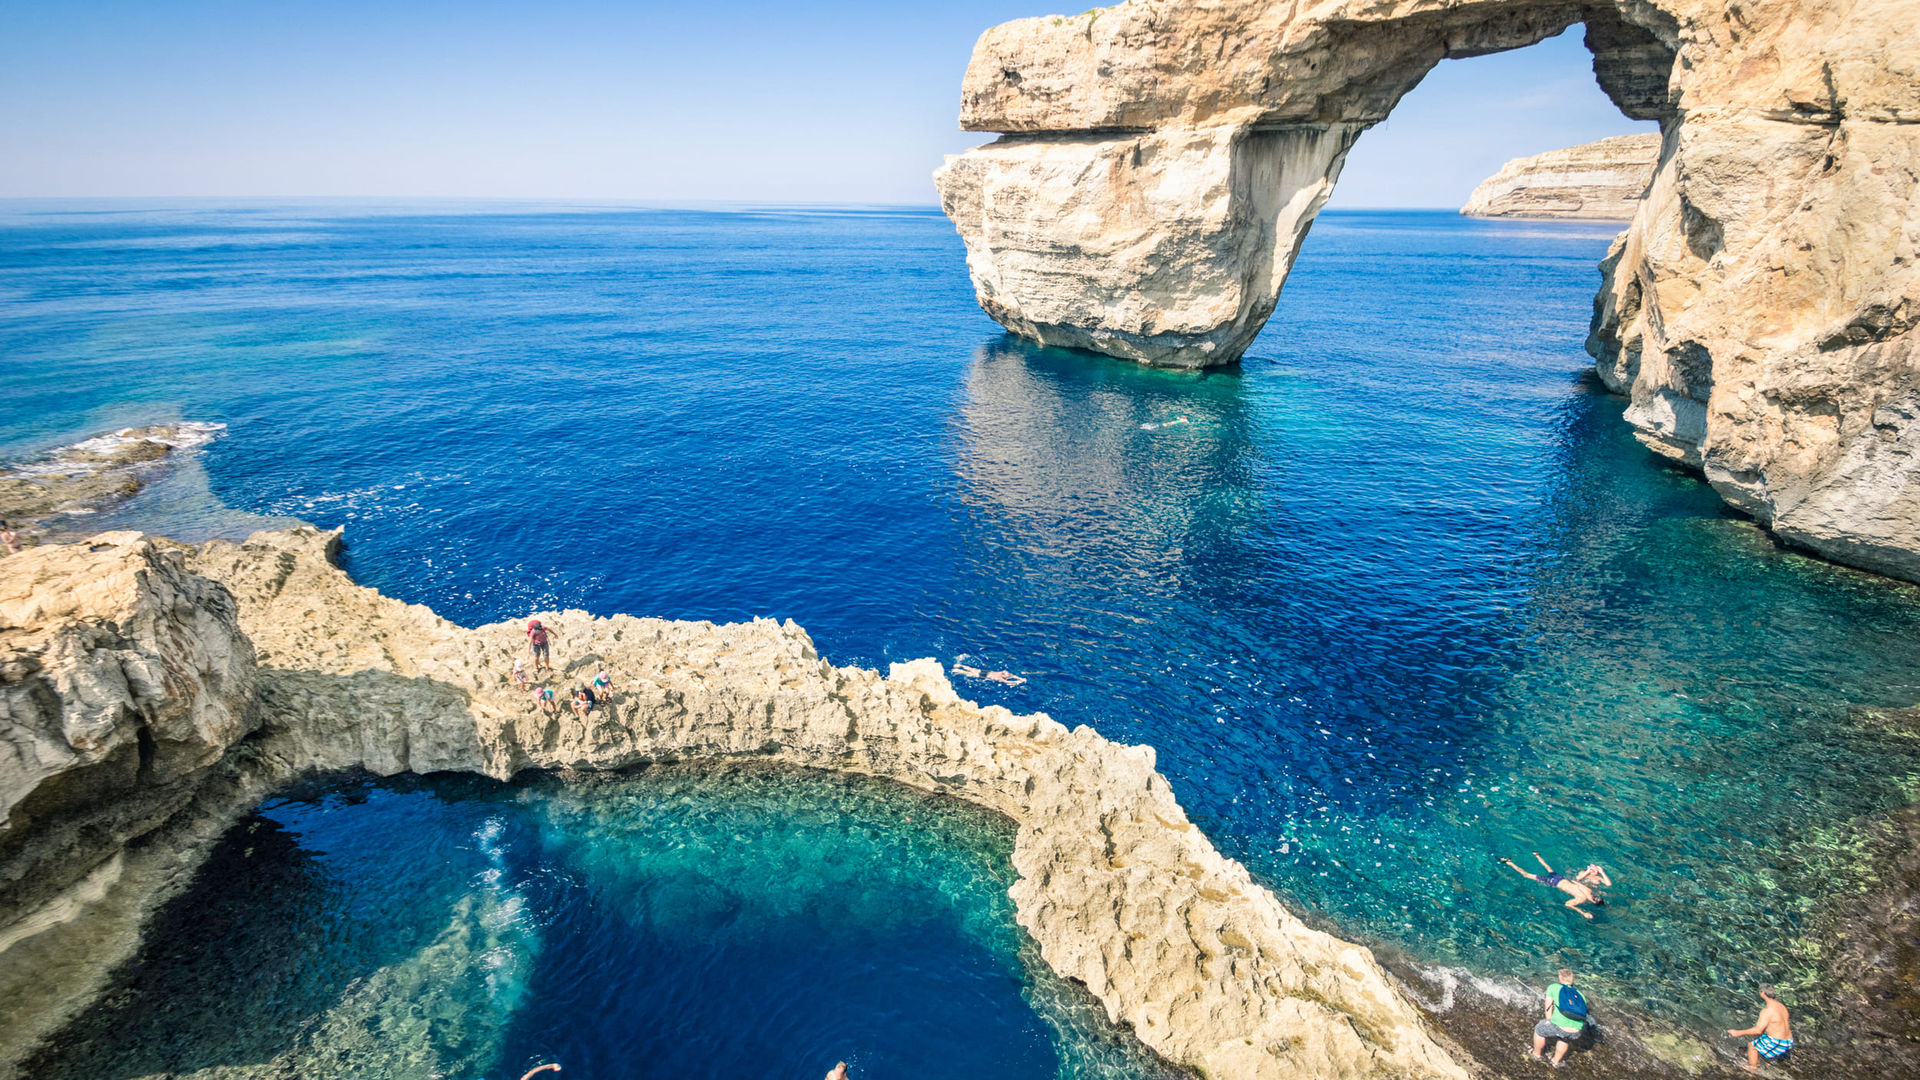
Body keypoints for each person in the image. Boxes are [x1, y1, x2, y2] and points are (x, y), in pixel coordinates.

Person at [1499, 851, 1606, 919]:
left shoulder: (1589, 891)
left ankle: (1537, 855)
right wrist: (1582, 913)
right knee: (1526, 875)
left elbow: (1576, 882)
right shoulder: (1581, 899)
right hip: (1554, 883)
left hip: (1561, 878)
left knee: (1548, 867)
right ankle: (1509, 862)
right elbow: (1567, 904)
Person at [1529, 968, 1588, 1068]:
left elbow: (1548, 1007)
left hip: (1561, 1027)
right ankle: (1555, 1062)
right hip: (1577, 1031)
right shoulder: (1580, 995)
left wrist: (1548, 1020)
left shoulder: (1553, 987)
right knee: (1564, 1038)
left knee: (1539, 1029)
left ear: (1560, 977)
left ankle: (1536, 1054)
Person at [1728, 984, 1793, 1069]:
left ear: (1762, 993)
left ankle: (1752, 1070)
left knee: (1752, 1046)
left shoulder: (1767, 1011)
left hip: (1779, 1042)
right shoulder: (1781, 1006)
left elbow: (1758, 1030)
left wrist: (1738, 1033)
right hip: (1789, 1041)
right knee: (1763, 1039)